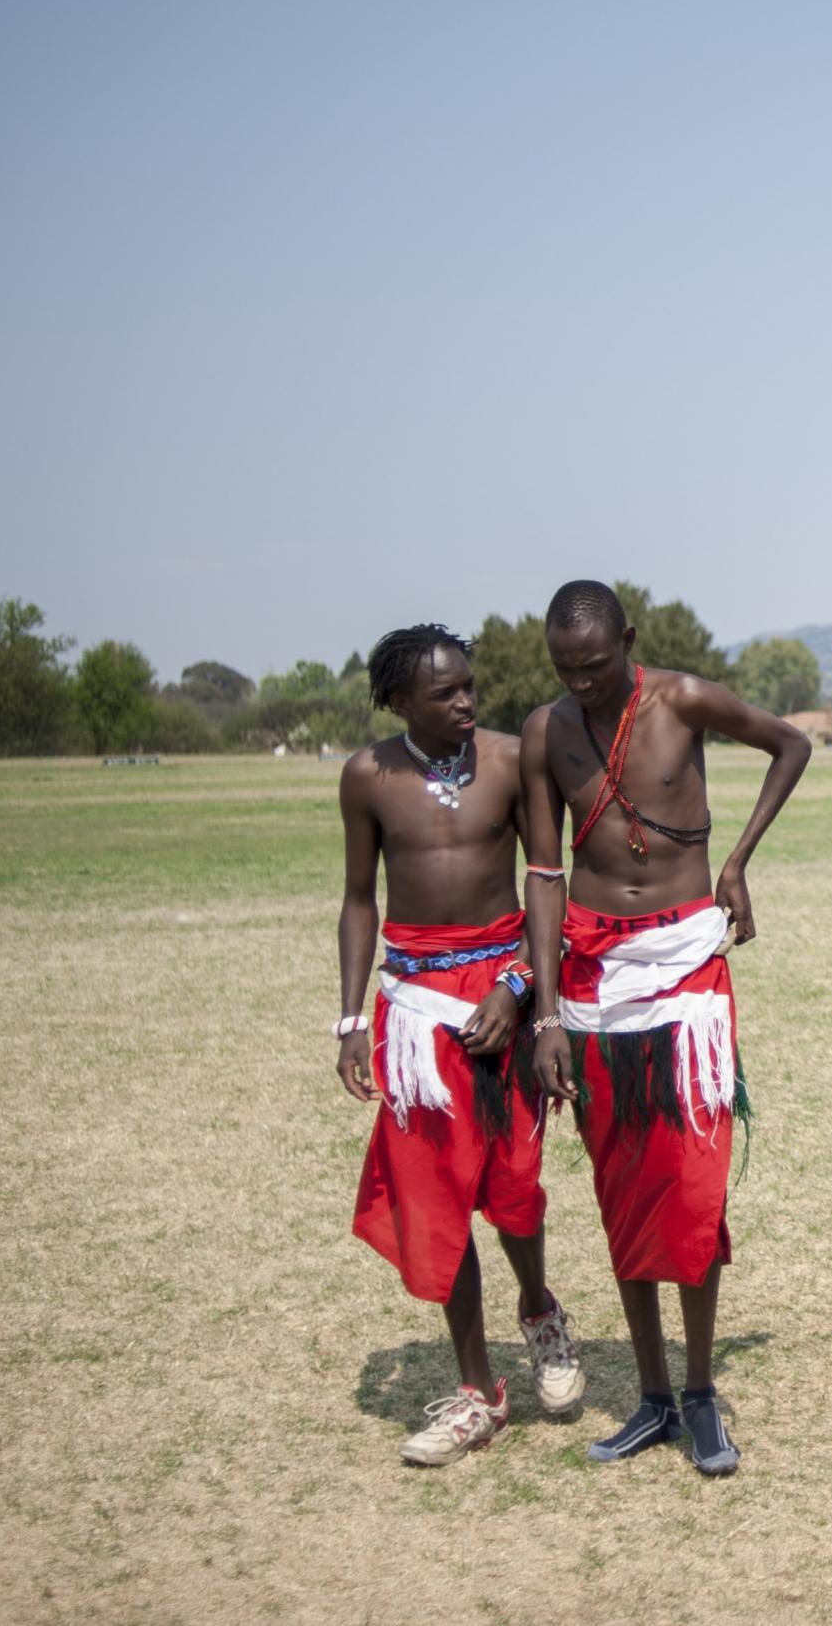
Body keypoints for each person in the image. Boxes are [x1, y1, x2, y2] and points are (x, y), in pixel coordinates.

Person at [519, 580, 812, 1476]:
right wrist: (547, 1014)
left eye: (598, 666)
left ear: (629, 643)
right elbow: (542, 871)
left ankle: (698, 1394)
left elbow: (790, 744)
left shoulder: (681, 698)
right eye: (567, 671)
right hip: (594, 980)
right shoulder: (545, 732)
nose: (583, 686)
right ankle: (649, 1397)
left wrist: (737, 857)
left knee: (691, 1189)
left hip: (686, 966)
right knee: (623, 1188)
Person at [337, 624, 584, 1466]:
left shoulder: (515, 759)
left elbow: (547, 878)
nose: (467, 701)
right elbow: (359, 900)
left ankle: (541, 1308)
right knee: (439, 1201)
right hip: (413, 1015)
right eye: (445, 693)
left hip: (502, 996)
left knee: (514, 1187)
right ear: (400, 700)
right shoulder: (368, 776)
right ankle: (479, 1391)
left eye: (469, 686)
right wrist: (350, 1021)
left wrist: (521, 991)